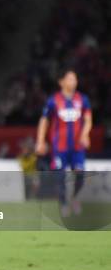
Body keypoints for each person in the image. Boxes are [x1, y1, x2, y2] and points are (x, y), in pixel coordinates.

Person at [35, 68, 92, 217]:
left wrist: (85, 135)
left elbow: (88, 120)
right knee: (60, 176)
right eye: (70, 79)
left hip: (77, 147)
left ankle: (75, 198)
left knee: (80, 174)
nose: (73, 82)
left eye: (75, 79)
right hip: (59, 147)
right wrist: (40, 141)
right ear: (62, 82)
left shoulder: (82, 100)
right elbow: (44, 121)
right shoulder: (54, 101)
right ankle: (64, 204)